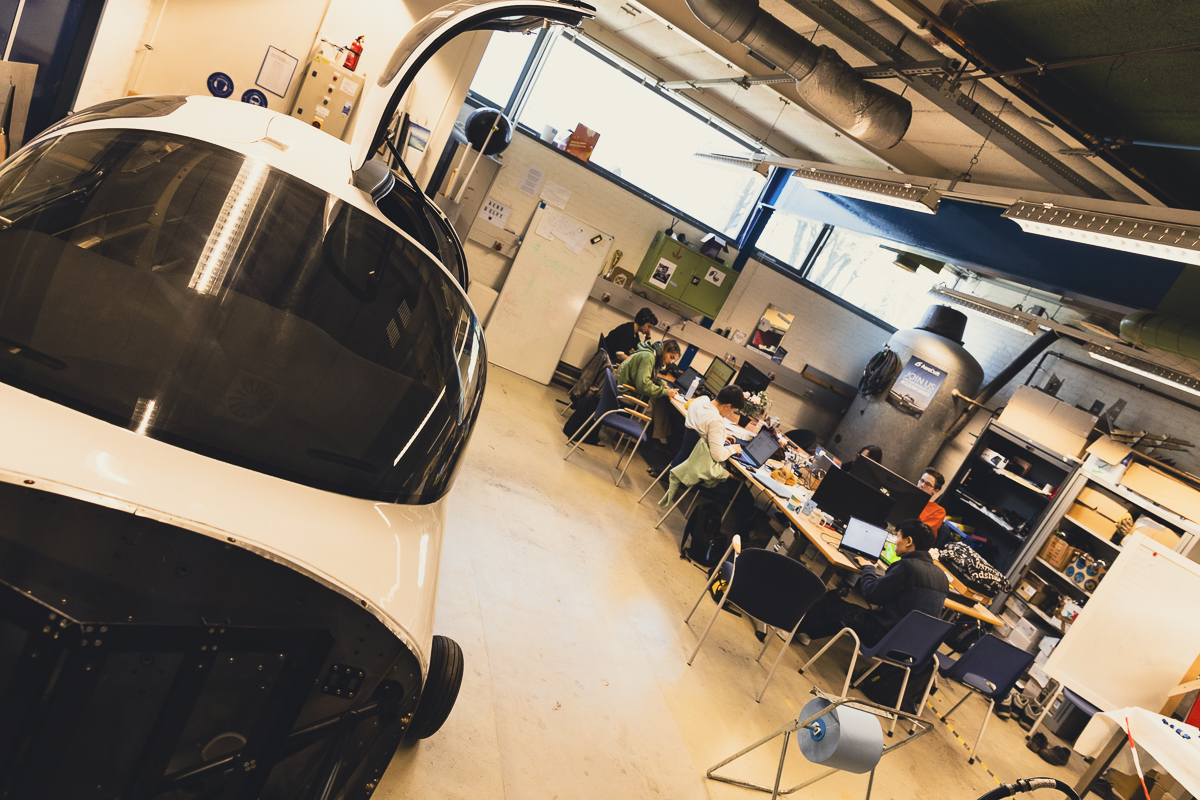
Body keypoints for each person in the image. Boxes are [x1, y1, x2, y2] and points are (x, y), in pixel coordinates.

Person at [794, 519, 948, 648]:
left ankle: (792, 630)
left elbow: (871, 594)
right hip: (912, 647)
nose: (895, 541)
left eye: (898, 537)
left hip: (883, 636)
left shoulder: (907, 566)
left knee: (830, 602)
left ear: (908, 541)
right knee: (848, 613)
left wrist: (868, 569)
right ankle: (808, 633)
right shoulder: (941, 577)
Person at [617, 339, 680, 442]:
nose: (671, 362)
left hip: (623, 386)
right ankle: (626, 436)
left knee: (659, 399)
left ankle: (662, 437)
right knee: (654, 401)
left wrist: (663, 385)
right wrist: (666, 392)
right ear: (664, 350)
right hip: (625, 392)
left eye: (674, 359)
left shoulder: (650, 352)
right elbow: (644, 386)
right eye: (671, 357)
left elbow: (646, 377)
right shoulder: (649, 357)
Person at [685, 385, 745, 463]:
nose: (731, 414)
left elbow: (702, 427)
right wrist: (733, 449)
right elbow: (718, 456)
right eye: (732, 411)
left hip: (685, 455)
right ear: (727, 406)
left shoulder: (699, 401)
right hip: (697, 462)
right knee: (726, 471)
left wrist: (719, 436)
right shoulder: (716, 421)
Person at [917, 468, 946, 533]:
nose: (922, 485)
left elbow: (920, 532)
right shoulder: (907, 497)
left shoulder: (938, 512)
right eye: (921, 480)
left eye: (927, 484)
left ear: (935, 491)